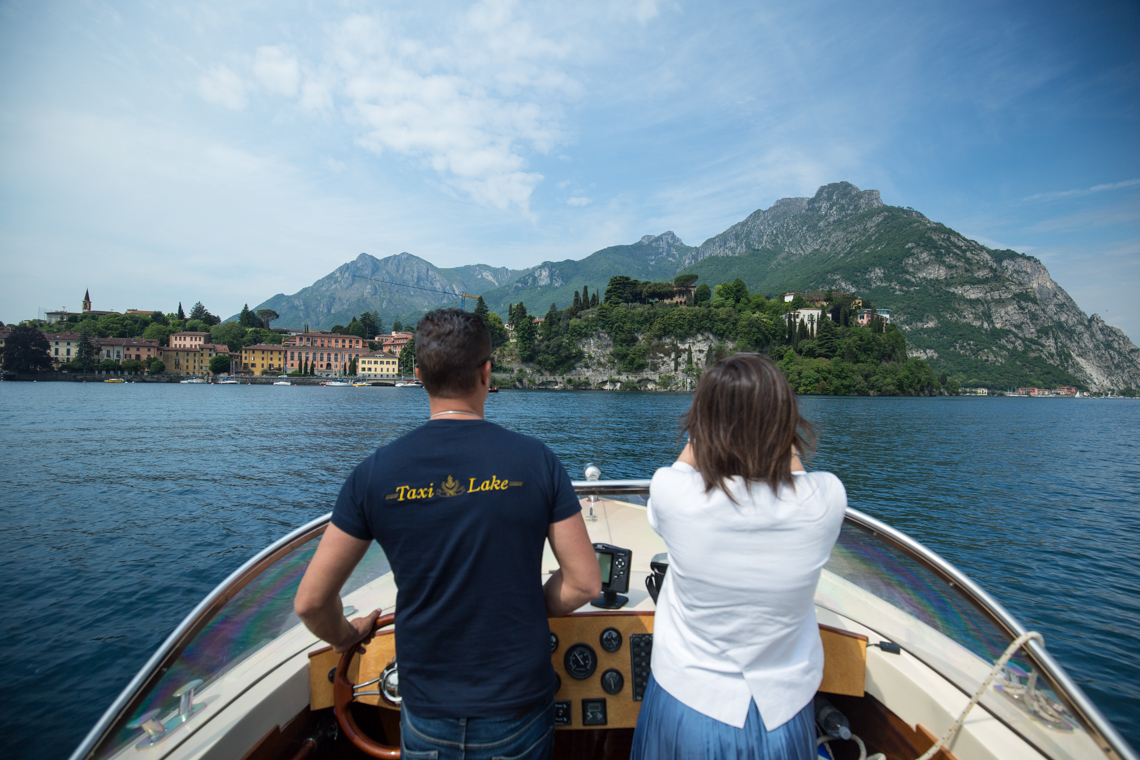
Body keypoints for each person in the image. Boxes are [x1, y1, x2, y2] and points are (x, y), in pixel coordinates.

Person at [294, 308, 601, 760]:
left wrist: (344, 637)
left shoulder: (373, 474)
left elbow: (311, 603)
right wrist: (522, 607)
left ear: (418, 374)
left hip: (425, 709)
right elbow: (584, 583)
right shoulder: (537, 462)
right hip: (518, 708)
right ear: (486, 371)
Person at [631, 353, 847, 760]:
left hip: (688, 703)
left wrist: (708, 431)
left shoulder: (673, 494)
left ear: (701, 423)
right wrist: (771, 432)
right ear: (786, 424)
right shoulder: (826, 499)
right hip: (781, 715)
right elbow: (795, 474)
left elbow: (681, 470)